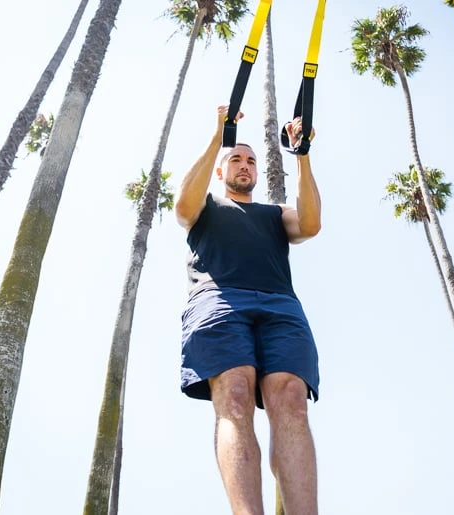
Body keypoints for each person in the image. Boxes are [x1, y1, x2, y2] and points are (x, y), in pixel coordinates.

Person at [174, 104, 322, 514]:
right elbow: (183, 207)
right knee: (236, 394)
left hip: (281, 308)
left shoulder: (274, 214)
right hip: (219, 301)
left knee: (291, 398)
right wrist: (217, 136)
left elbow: (309, 225)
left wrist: (302, 155)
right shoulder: (205, 205)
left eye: (251, 161)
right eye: (235, 159)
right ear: (220, 172)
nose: (245, 165)